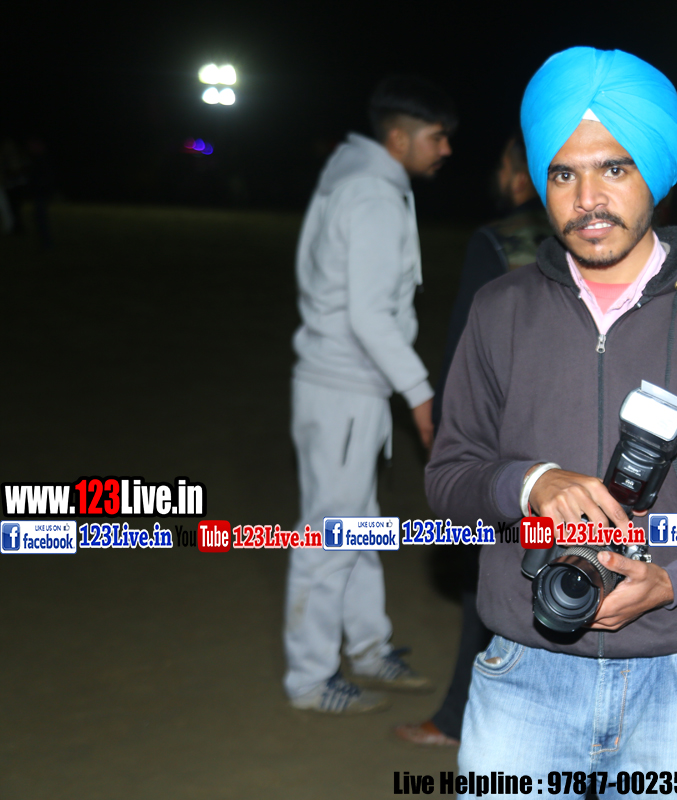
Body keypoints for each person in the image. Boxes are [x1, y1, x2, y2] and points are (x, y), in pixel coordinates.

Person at [426, 47, 677, 795]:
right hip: (523, 670)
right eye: (563, 174)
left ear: (657, 171)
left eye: (614, 167)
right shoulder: (499, 312)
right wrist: (529, 484)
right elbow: (449, 477)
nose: (588, 199)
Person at [285, 75, 455, 714]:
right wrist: (421, 394)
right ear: (399, 138)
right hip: (345, 387)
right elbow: (368, 316)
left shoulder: (350, 175)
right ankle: (310, 678)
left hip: (340, 383)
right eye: (437, 136)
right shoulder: (374, 196)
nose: (445, 149)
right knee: (330, 534)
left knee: (357, 525)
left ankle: (367, 646)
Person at [394, 130, 553, 746]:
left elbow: (465, 350)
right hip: (593, 445)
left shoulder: (498, 241)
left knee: (486, 575)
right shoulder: (619, 242)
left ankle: (462, 716)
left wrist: (446, 433)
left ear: (518, 172)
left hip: (507, 451)